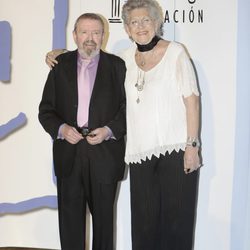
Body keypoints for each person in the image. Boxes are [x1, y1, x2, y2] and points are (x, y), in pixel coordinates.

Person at [45, 1, 202, 249]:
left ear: (156, 23)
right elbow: (87, 57)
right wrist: (58, 54)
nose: (140, 26)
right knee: (143, 228)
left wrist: (192, 146)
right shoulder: (124, 60)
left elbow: (192, 101)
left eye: (146, 20)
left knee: (176, 224)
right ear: (127, 29)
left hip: (175, 151)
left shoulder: (175, 52)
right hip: (139, 154)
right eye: (134, 22)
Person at [39, 13, 126, 250]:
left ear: (103, 36)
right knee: (70, 228)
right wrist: (62, 129)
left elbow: (126, 110)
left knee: (104, 229)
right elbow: (45, 111)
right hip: (69, 154)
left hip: (105, 155)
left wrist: (109, 130)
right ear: (75, 35)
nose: (90, 38)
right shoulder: (59, 65)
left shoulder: (118, 66)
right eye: (85, 32)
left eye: (96, 32)